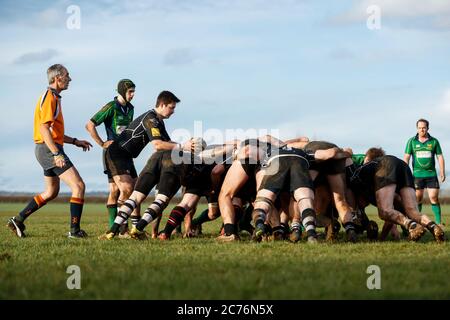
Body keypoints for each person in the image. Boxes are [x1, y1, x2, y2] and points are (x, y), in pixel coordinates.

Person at [7, 64, 92, 238]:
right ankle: (75, 231)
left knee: (51, 192)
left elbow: (54, 132)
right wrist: (56, 153)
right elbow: (44, 129)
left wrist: (74, 141)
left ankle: (19, 219)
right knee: (78, 185)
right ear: (57, 78)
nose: (70, 79)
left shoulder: (54, 97)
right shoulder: (50, 97)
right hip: (48, 149)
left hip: (45, 148)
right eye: (67, 75)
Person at [98, 91, 194, 240]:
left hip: (127, 156)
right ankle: (121, 230)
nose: (173, 111)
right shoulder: (151, 119)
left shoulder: (159, 121)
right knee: (128, 189)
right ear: (161, 105)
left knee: (137, 191)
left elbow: (167, 144)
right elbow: (158, 144)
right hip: (116, 153)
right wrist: (183, 146)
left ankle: (135, 230)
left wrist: (188, 147)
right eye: (171, 107)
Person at [349, 152, 445, 243]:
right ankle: (433, 227)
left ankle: (413, 226)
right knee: (412, 211)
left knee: (384, 211)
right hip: (403, 166)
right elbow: (391, 217)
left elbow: (385, 211)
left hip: (386, 165)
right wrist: (381, 239)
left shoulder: (360, 177)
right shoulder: (379, 187)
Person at [85, 79, 136, 230]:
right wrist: (102, 143)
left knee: (114, 190)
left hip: (126, 153)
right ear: (121, 92)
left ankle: (112, 227)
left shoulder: (131, 108)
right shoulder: (111, 107)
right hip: (113, 153)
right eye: (130, 92)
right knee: (126, 189)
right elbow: (90, 125)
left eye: (134, 92)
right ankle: (121, 228)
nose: (132, 95)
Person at [404, 119, 445, 226]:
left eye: (424, 127)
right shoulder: (411, 141)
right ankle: (418, 221)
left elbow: (440, 157)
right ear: (417, 129)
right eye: (420, 127)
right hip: (417, 175)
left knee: (434, 198)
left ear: (427, 128)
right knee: (418, 199)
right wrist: (405, 172)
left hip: (431, 175)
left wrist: (442, 172)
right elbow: (406, 157)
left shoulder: (434, 141)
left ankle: (439, 223)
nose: (422, 129)